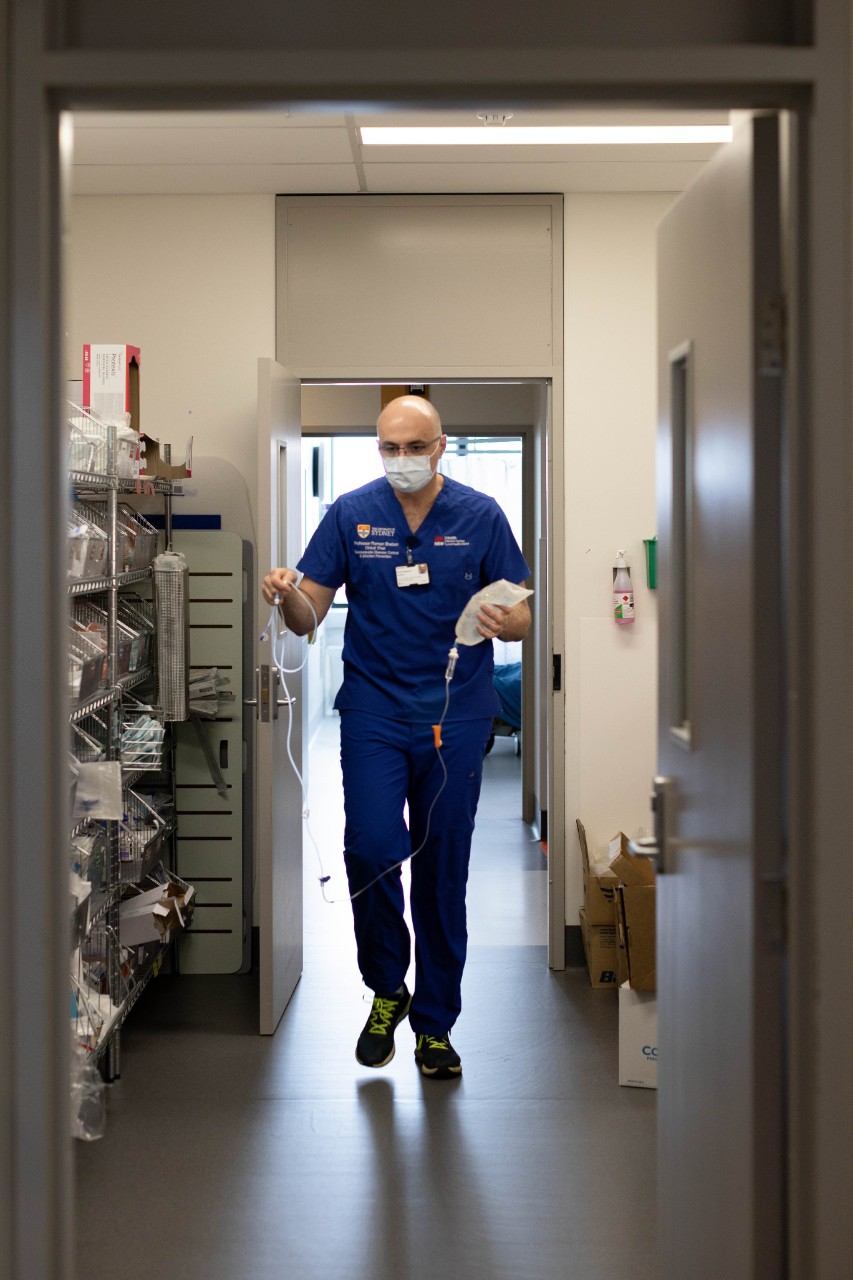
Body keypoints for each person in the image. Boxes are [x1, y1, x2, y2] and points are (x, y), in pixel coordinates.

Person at [262, 395, 531, 1079]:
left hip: (456, 712)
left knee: (442, 868)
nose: (402, 459)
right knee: (371, 849)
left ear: (440, 446)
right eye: (390, 447)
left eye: (415, 447)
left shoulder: (480, 515)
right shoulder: (351, 513)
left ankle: (435, 1026)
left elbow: (522, 616)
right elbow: (307, 616)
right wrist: (287, 593)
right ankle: (388, 988)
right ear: (377, 449)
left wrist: (505, 623)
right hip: (374, 711)